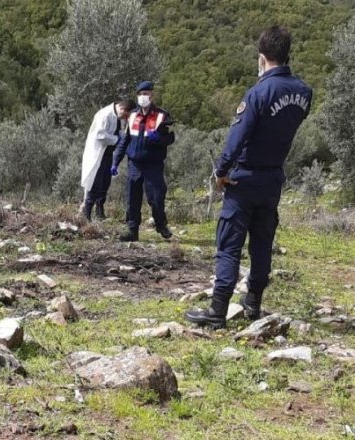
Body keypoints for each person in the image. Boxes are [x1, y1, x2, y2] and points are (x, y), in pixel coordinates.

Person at [186, 26, 313, 329]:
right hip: (273, 179)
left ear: (261, 57)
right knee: (262, 242)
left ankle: (217, 311)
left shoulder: (258, 93)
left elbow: (237, 137)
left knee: (229, 244)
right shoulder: (303, 93)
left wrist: (221, 172)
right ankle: (253, 302)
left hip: (243, 178)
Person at [111, 81, 175, 242]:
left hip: (153, 165)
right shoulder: (132, 115)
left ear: (152, 95)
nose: (143, 97)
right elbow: (124, 141)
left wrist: (159, 138)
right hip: (135, 164)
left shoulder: (162, 115)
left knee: (156, 198)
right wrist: (115, 161)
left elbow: (170, 138)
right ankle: (132, 230)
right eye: (140, 94)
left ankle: (161, 225)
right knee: (132, 199)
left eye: (146, 93)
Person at [80, 98, 134, 221]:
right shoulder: (105, 115)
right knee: (95, 182)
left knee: (105, 182)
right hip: (98, 154)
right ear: (122, 109)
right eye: (126, 115)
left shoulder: (117, 116)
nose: (125, 119)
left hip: (108, 154)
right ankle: (86, 213)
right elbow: (100, 135)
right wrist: (117, 139)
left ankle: (100, 212)